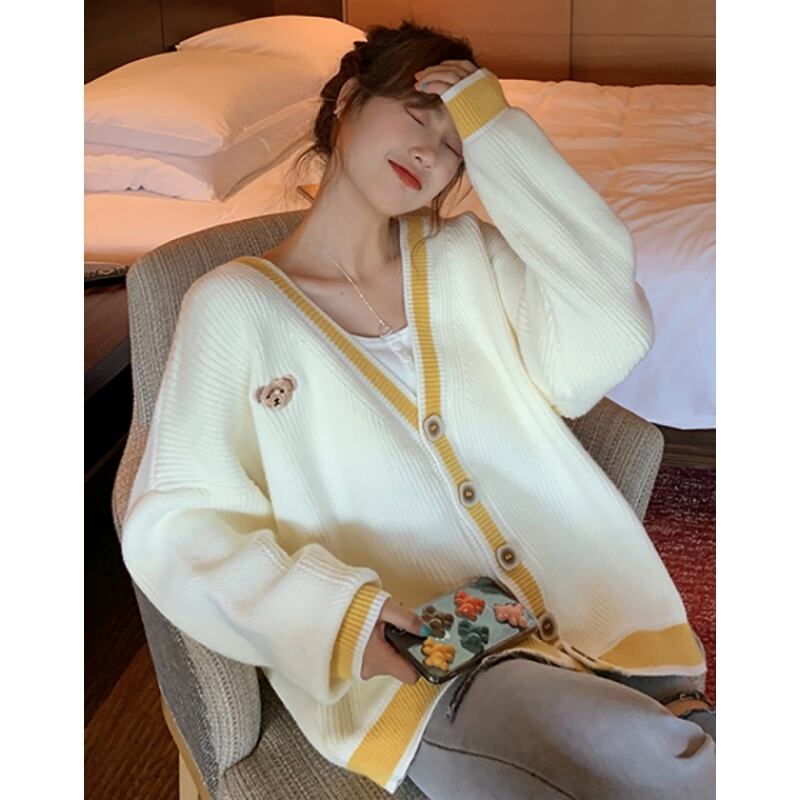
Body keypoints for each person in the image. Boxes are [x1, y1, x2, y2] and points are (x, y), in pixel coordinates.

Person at [121, 20, 715, 799]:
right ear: (348, 101)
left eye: (457, 143)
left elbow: (613, 325)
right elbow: (175, 520)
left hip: (611, 627)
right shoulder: (232, 305)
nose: (433, 153)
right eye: (417, 112)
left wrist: (498, 130)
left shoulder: (471, 258)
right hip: (443, 674)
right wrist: (333, 616)